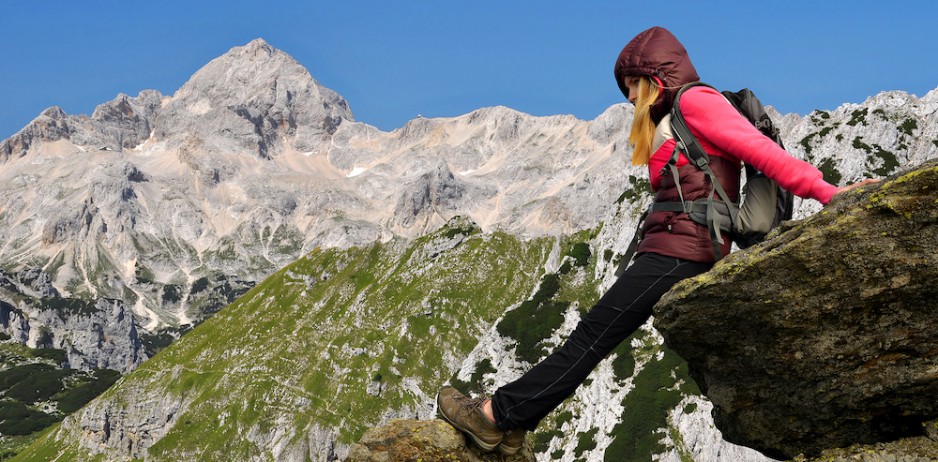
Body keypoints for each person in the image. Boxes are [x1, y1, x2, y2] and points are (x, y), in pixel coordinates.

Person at [436, 26, 877, 456]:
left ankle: (495, 417)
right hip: (671, 249)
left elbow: (763, 152)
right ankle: (512, 426)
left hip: (680, 252)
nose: (628, 97)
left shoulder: (698, 102)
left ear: (655, 77)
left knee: (590, 338)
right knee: (593, 338)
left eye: (632, 85)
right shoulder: (674, 115)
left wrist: (831, 193)